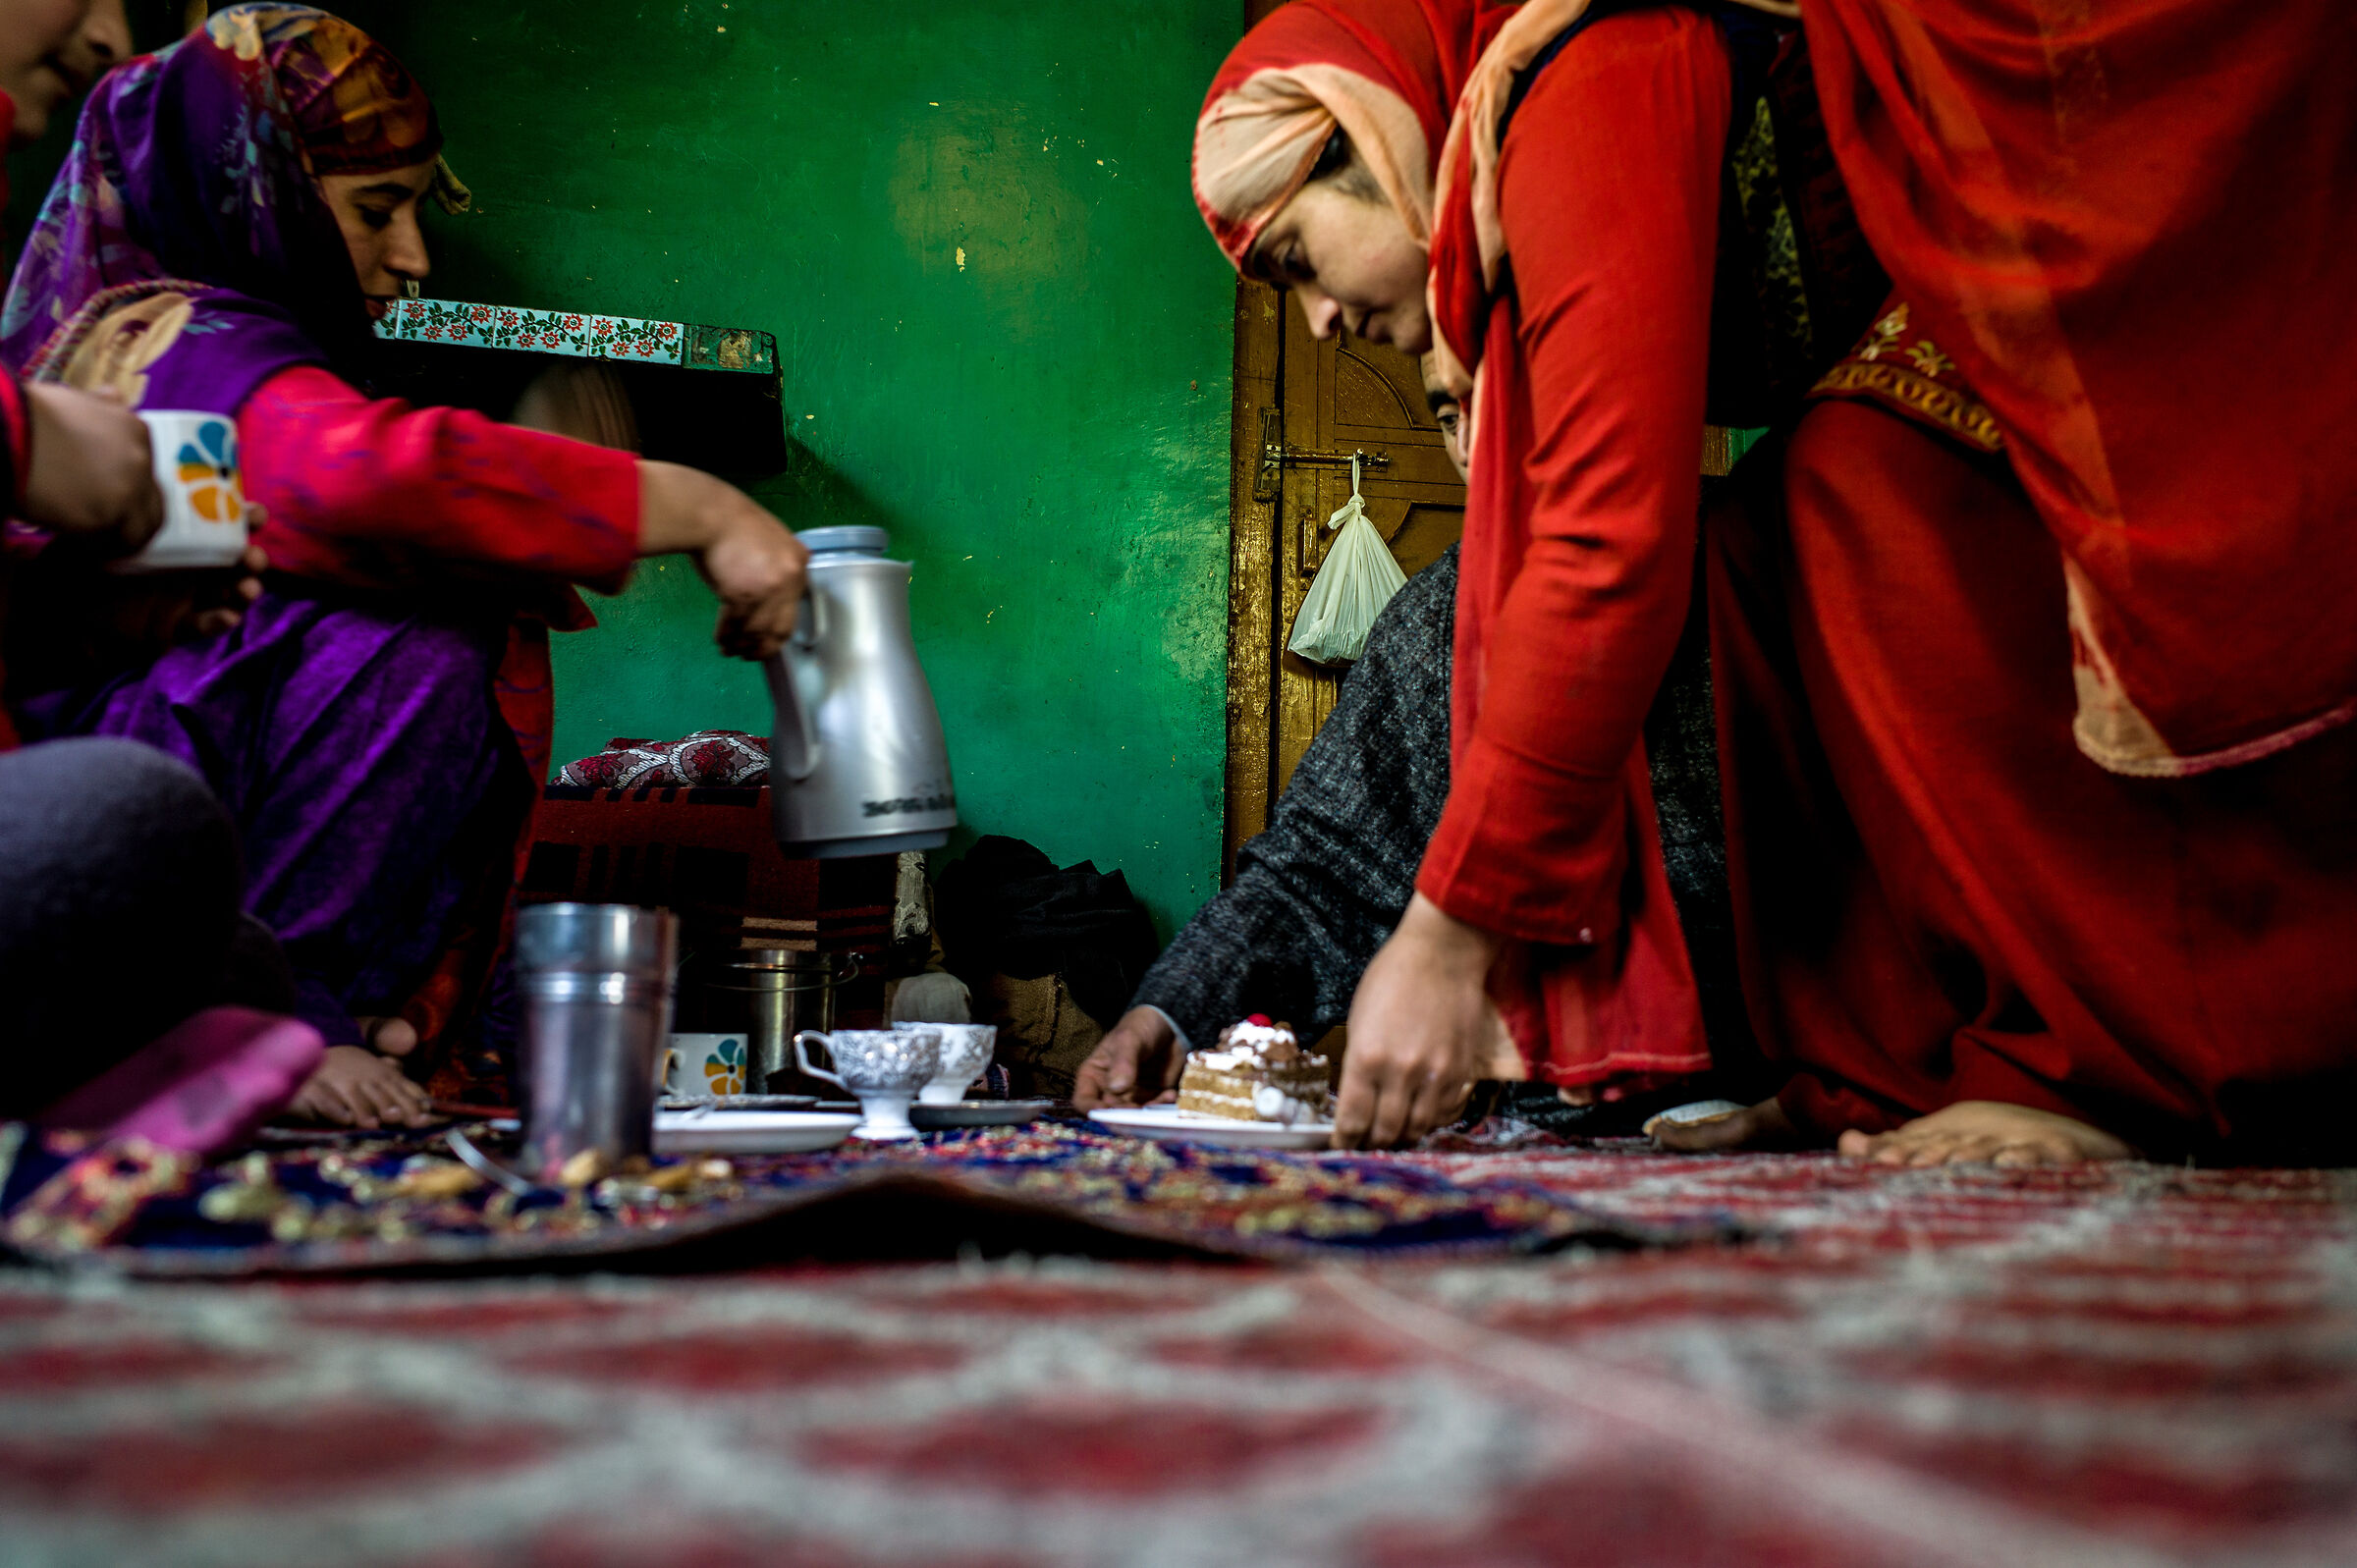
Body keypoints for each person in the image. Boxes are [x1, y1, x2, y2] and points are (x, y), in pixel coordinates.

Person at [0, 6, 808, 1127]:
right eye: (376, 209)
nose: (414, 256)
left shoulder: (156, 341)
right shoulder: (174, 338)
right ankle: (279, 1015)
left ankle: (321, 1011)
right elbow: (357, 478)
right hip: (82, 866)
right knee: (423, 628)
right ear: (253, 192)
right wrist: (700, 506)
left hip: (121, 871)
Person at [1654, 0, 2357, 1166]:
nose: (1325, 314)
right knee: (1752, 525)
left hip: (2185, 172)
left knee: (1862, 474)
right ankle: (1876, 1063)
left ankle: (2093, 1058)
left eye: (1305, 260)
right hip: (2012, 178)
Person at [1192, 0, 1860, 1149]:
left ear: (1369, 134)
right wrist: (1175, 1004)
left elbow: (1603, 550)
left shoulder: (1589, 82)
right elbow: (1323, 855)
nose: (1320, 326)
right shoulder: (1440, 624)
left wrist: (1449, 940)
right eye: (1454, 414)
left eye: (1300, 261)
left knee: (1840, 485)